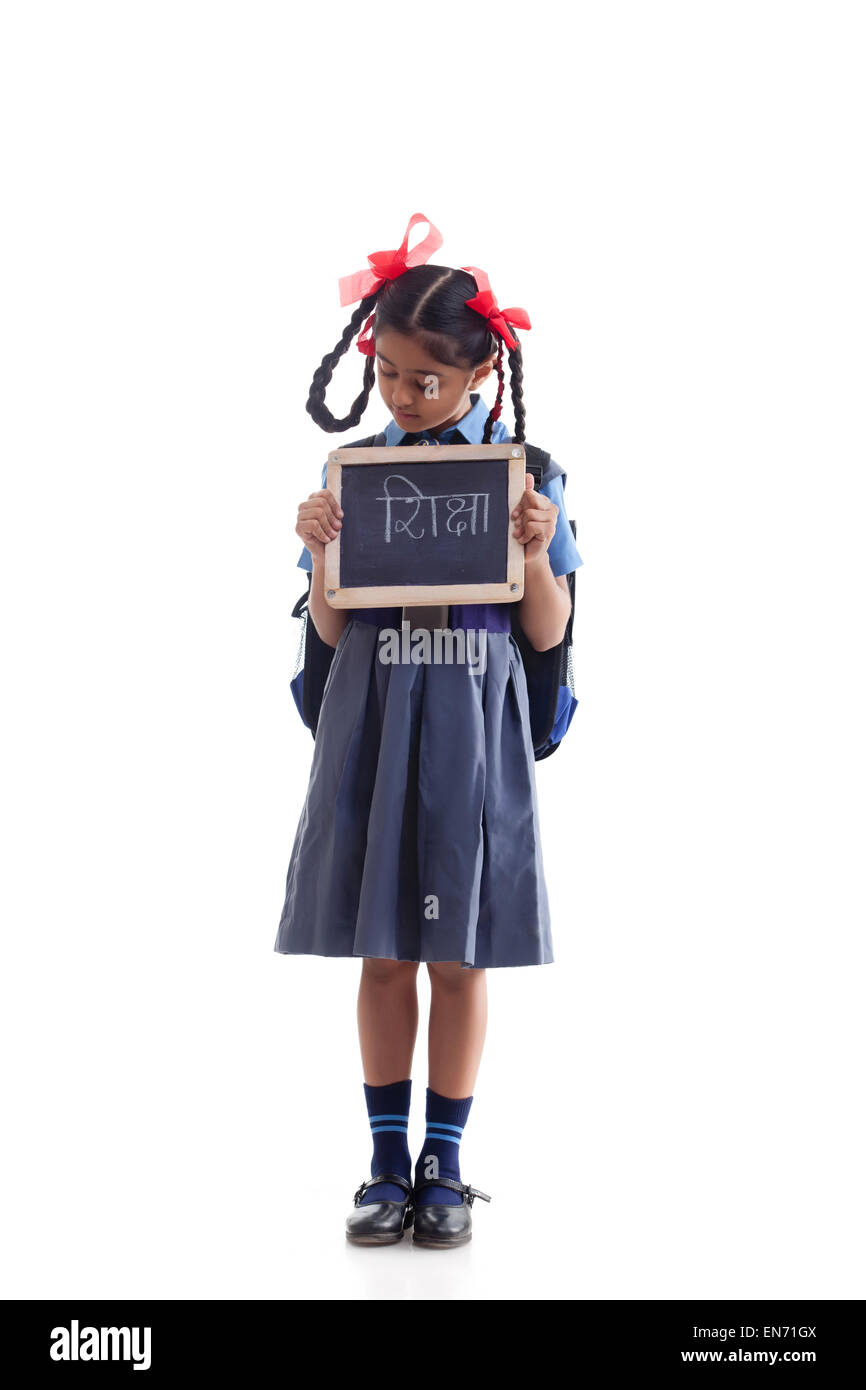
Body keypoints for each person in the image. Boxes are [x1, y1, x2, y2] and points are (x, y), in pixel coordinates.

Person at [274, 214, 584, 1248]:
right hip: (375, 716)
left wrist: (533, 551)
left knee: (457, 953)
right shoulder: (356, 470)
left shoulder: (523, 474)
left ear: (480, 370)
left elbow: (548, 631)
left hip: (469, 726)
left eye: (426, 381)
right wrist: (323, 552)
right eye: (389, 374)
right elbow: (330, 629)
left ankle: (444, 1161)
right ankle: (382, 1160)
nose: (404, 397)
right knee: (380, 950)